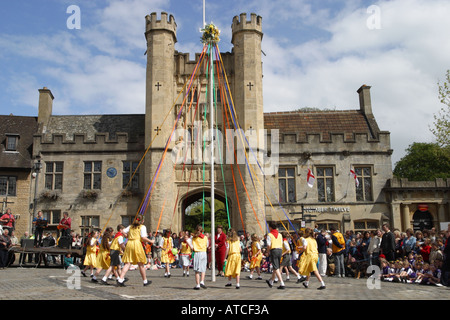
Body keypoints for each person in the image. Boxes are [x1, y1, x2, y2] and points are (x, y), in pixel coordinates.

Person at [117, 216, 155, 287]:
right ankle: (145, 281)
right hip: (137, 244)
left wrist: (127, 236)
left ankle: (120, 279)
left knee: (127, 263)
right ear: (142, 221)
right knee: (140, 263)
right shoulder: (142, 227)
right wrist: (151, 241)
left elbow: (123, 231)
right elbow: (143, 237)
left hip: (129, 244)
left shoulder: (130, 226)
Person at [265, 222, 285, 289]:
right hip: (280, 250)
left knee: (276, 267)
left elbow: (268, 245)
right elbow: (281, 243)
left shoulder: (269, 235)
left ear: (270, 227)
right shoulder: (280, 234)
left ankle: (282, 283)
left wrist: (267, 252)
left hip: (274, 250)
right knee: (275, 266)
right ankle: (271, 281)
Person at [188, 225, 209, 290]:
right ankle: (202, 281)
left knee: (197, 270)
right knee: (203, 268)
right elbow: (207, 245)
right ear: (202, 230)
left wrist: (192, 247)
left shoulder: (194, 237)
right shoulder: (205, 237)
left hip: (197, 253)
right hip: (204, 253)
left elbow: (188, 240)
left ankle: (197, 284)